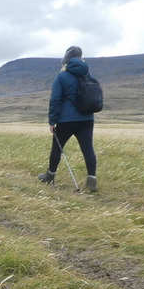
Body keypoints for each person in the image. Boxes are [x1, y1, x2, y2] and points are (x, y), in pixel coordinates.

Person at [38, 46, 98, 192]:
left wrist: (52, 121)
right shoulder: (88, 75)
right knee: (88, 149)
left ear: (66, 60)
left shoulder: (61, 77)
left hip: (66, 120)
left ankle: (50, 176)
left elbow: (55, 100)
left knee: (57, 149)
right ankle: (92, 180)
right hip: (87, 119)